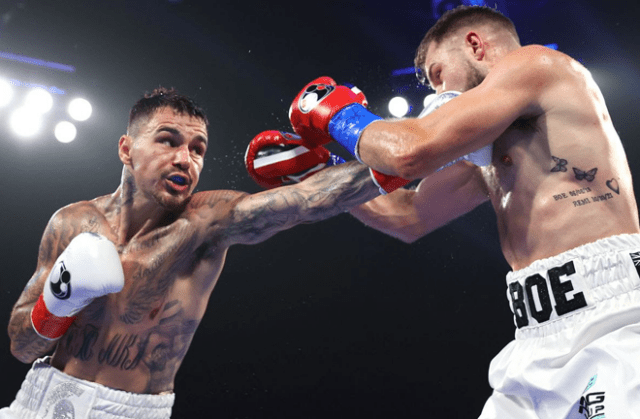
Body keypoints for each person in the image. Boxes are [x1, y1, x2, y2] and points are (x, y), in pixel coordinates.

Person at [283, 5, 640, 418]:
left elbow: (410, 150)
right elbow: (408, 216)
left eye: (438, 73)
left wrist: (338, 115)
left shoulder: (537, 63)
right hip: (534, 338)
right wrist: (317, 171)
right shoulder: (488, 145)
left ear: (475, 45)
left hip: (612, 320)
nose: (436, 93)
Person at [3, 87, 382, 419]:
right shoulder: (71, 221)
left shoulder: (206, 223)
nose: (186, 159)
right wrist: (55, 305)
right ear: (126, 149)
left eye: (197, 149)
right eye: (168, 140)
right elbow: (22, 347)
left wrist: (407, 153)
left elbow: (304, 201)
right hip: (37, 401)